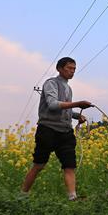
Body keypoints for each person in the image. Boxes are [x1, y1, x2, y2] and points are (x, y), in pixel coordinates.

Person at [21, 57, 92, 200]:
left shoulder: (68, 88)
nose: (72, 71)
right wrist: (77, 104)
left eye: (74, 69)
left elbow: (64, 109)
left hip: (65, 132)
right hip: (48, 129)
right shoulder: (51, 83)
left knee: (69, 165)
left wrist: (77, 116)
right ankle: (22, 195)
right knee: (39, 165)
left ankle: (73, 197)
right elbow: (53, 105)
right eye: (69, 68)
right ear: (59, 69)